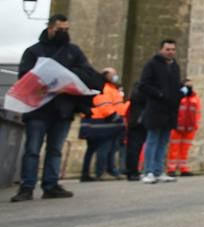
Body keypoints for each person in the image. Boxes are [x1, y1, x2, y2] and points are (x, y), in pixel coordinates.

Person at [11, 15, 101, 202]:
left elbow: (88, 74)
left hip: (63, 109)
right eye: (61, 29)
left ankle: (50, 185)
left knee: (55, 149)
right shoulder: (33, 51)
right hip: (38, 109)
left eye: (67, 29)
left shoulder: (73, 51)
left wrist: (68, 76)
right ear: (51, 29)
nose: (64, 33)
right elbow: (24, 77)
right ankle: (27, 187)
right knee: (33, 150)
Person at [135, 39, 183, 184]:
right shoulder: (152, 65)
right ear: (161, 49)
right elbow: (144, 85)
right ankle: (148, 171)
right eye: (168, 49)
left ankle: (159, 170)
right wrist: (159, 94)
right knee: (153, 140)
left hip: (170, 110)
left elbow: (175, 85)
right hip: (155, 109)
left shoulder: (175, 67)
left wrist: (181, 92)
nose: (170, 52)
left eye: (173, 49)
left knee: (163, 142)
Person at [81, 68, 129, 181]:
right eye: (113, 74)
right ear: (106, 75)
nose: (116, 76)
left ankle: (105, 170)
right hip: (101, 122)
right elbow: (105, 105)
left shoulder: (112, 88)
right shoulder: (104, 87)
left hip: (101, 122)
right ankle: (101, 171)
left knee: (103, 148)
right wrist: (115, 117)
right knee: (103, 148)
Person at [167, 78, 201, 176]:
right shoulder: (179, 97)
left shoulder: (195, 98)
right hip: (177, 127)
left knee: (185, 150)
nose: (189, 87)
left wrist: (196, 125)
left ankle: (183, 168)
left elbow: (198, 113)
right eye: (187, 85)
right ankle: (171, 169)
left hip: (190, 128)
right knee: (174, 149)